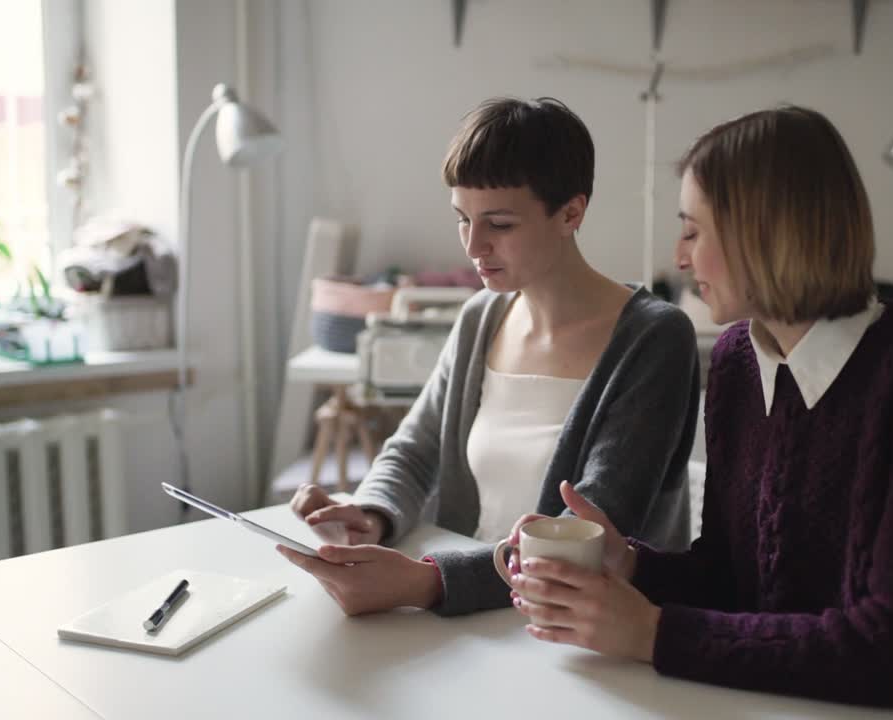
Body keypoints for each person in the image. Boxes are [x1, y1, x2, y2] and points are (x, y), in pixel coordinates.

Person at [505, 105, 893, 713]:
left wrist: (653, 634)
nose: (680, 258)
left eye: (693, 231)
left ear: (763, 232)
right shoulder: (739, 360)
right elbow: (730, 578)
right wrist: (628, 564)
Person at [278, 97, 700, 618]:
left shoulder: (655, 338)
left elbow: (588, 534)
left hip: (576, 630)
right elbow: (414, 449)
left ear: (571, 212)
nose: (474, 246)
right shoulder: (482, 317)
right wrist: (372, 513)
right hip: (469, 615)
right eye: (463, 219)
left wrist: (426, 583)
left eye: (499, 225)